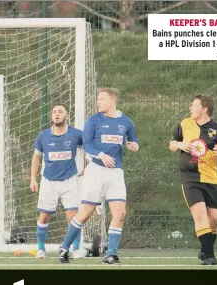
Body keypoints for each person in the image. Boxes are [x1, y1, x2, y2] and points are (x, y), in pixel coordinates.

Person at [58, 88, 139, 264]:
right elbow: (86, 145)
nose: (98, 102)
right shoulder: (93, 120)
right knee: (85, 214)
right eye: (98, 99)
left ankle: (110, 254)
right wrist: (101, 155)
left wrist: (134, 145)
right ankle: (64, 247)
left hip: (116, 173)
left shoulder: (126, 122)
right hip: (96, 172)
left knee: (120, 213)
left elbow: (133, 141)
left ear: (112, 101)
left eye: (101, 99)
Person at [169, 94, 217, 265]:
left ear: (204, 109)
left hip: (212, 178)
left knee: (214, 220)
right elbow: (172, 143)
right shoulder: (184, 124)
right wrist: (180, 145)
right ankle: (210, 256)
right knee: (200, 215)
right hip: (190, 178)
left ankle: (205, 250)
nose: (190, 107)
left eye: (194, 105)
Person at [30, 104, 84, 259]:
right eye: (54, 112)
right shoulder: (43, 135)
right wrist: (33, 178)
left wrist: (87, 165)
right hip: (48, 181)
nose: (57, 114)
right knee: (44, 216)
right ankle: (41, 249)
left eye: (60, 111)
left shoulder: (76, 134)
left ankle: (76, 248)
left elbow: (89, 148)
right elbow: (36, 157)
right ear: (51, 116)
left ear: (66, 115)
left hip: (70, 180)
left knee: (74, 215)